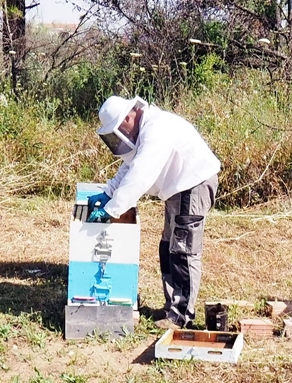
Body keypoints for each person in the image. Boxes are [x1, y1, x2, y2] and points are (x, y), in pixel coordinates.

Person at [88, 95, 221, 328]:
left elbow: (140, 175)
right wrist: (109, 191)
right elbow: (129, 166)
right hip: (178, 189)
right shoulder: (144, 131)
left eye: (120, 129)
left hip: (193, 185)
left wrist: (112, 209)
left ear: (129, 116)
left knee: (183, 251)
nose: (122, 136)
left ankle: (181, 316)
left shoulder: (156, 128)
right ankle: (172, 307)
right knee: (168, 247)